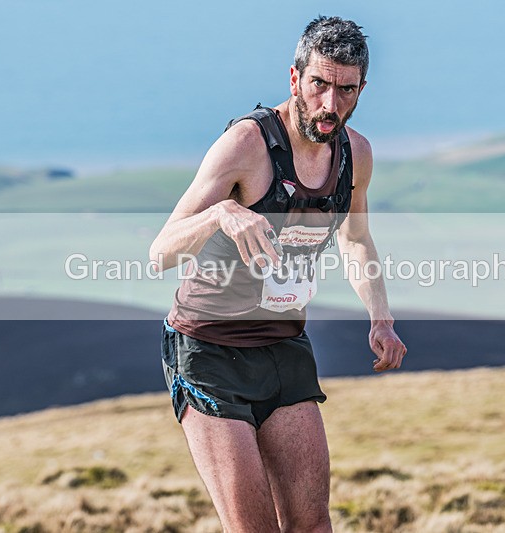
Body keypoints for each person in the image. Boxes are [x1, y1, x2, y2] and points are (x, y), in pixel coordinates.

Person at [149, 16, 406, 532]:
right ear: (294, 78)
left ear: (362, 89)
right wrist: (222, 213)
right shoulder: (246, 145)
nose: (330, 104)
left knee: (312, 524)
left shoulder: (355, 155)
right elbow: (161, 252)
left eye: (346, 90)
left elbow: (355, 238)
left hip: (284, 344)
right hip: (209, 351)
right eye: (319, 84)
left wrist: (380, 318)